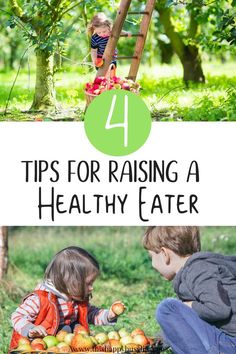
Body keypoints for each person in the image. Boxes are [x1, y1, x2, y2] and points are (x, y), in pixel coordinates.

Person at [143, 226, 236, 354]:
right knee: (177, 311)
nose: (152, 264)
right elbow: (191, 321)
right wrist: (157, 343)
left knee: (168, 308)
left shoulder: (198, 270)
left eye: (151, 257)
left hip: (230, 344)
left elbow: (219, 309)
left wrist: (190, 305)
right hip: (227, 341)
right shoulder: (196, 270)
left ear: (164, 254)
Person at [10, 246, 124, 349]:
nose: (91, 288)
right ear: (71, 282)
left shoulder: (76, 299)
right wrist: (30, 329)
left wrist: (109, 315)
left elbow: (90, 314)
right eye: (88, 283)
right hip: (38, 346)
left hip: (64, 346)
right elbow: (17, 316)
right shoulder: (40, 299)